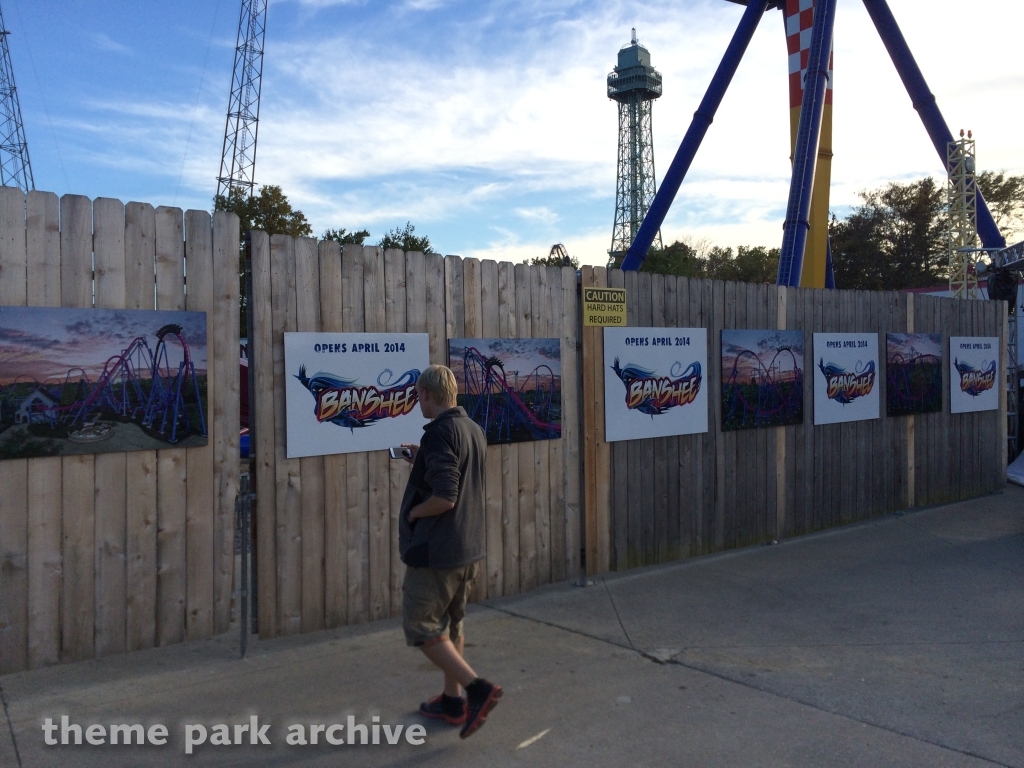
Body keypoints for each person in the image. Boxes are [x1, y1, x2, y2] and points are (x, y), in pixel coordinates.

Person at [398, 364, 502, 739]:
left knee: (420, 624)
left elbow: (444, 496)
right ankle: (452, 700)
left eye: (418, 396)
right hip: (468, 547)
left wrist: (413, 511)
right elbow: (454, 472)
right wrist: (419, 458)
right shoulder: (472, 429)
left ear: (426, 394)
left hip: (437, 551)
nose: (418, 402)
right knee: (452, 626)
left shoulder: (439, 433)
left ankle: (477, 689)